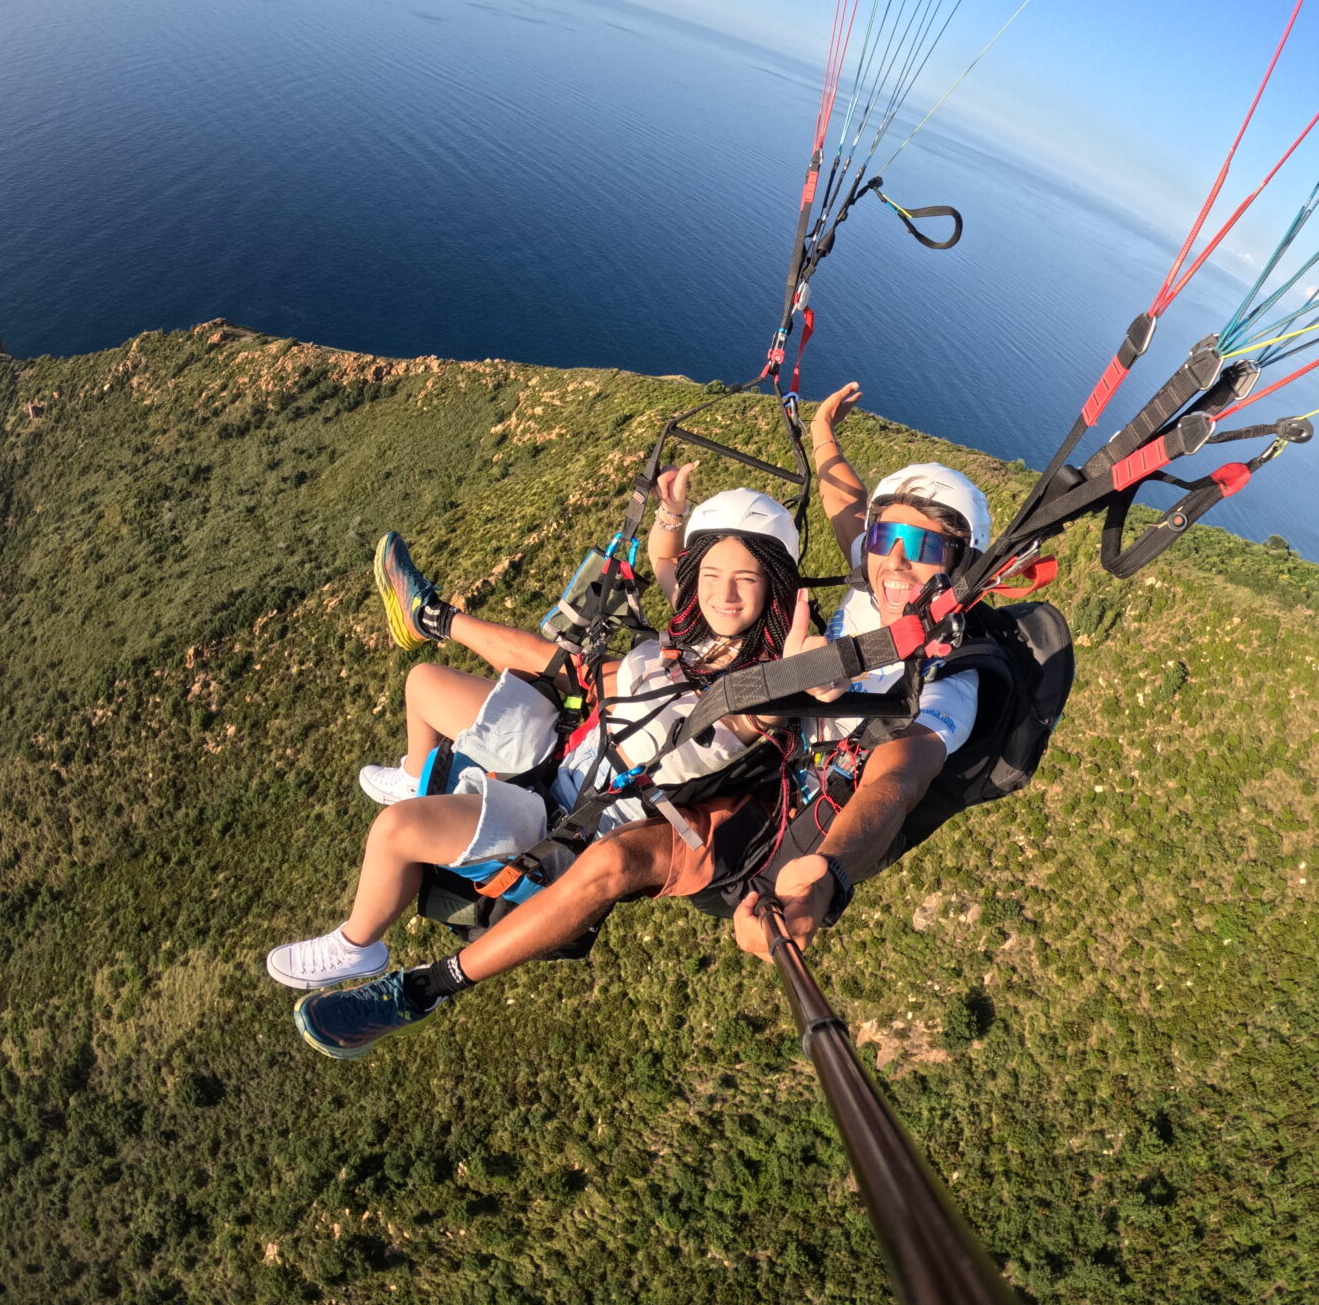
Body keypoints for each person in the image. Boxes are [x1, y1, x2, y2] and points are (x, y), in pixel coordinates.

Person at [291, 382, 996, 1058]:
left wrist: (827, 870)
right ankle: (430, 661)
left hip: (739, 794)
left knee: (609, 843)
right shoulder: (874, 576)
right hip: (612, 740)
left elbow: (895, 780)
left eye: (926, 546)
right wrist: (819, 435)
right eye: (888, 535)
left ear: (959, 569)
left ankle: (424, 984)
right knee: (567, 664)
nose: (897, 556)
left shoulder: (942, 680)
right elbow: (845, 509)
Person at [264, 478, 808, 997]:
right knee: (424, 683)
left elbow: (791, 694)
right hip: (562, 756)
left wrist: (804, 667)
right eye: (712, 574)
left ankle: (357, 943)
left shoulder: (755, 694)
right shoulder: (694, 629)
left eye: (748, 580)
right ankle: (415, 775)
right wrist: (670, 509)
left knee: (395, 830)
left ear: (775, 590)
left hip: (568, 826)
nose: (724, 593)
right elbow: (668, 562)